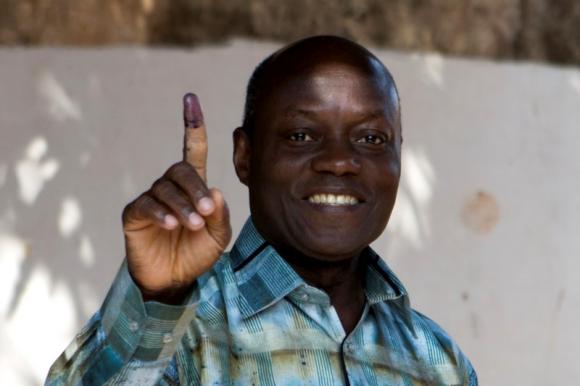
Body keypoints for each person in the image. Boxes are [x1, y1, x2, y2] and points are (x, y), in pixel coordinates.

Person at [46, 36, 477, 385]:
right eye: (302, 135)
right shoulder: (182, 329)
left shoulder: (437, 361)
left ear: (399, 158)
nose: (340, 161)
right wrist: (157, 298)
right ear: (245, 157)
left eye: (371, 139)